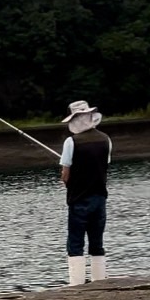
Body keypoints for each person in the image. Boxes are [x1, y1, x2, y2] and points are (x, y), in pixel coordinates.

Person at [59, 99, 111, 285]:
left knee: (75, 242)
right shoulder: (106, 139)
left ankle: (77, 283)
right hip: (100, 197)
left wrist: (66, 180)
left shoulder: (71, 142)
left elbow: (65, 174)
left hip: (79, 199)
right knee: (97, 241)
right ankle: (100, 281)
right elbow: (104, 165)